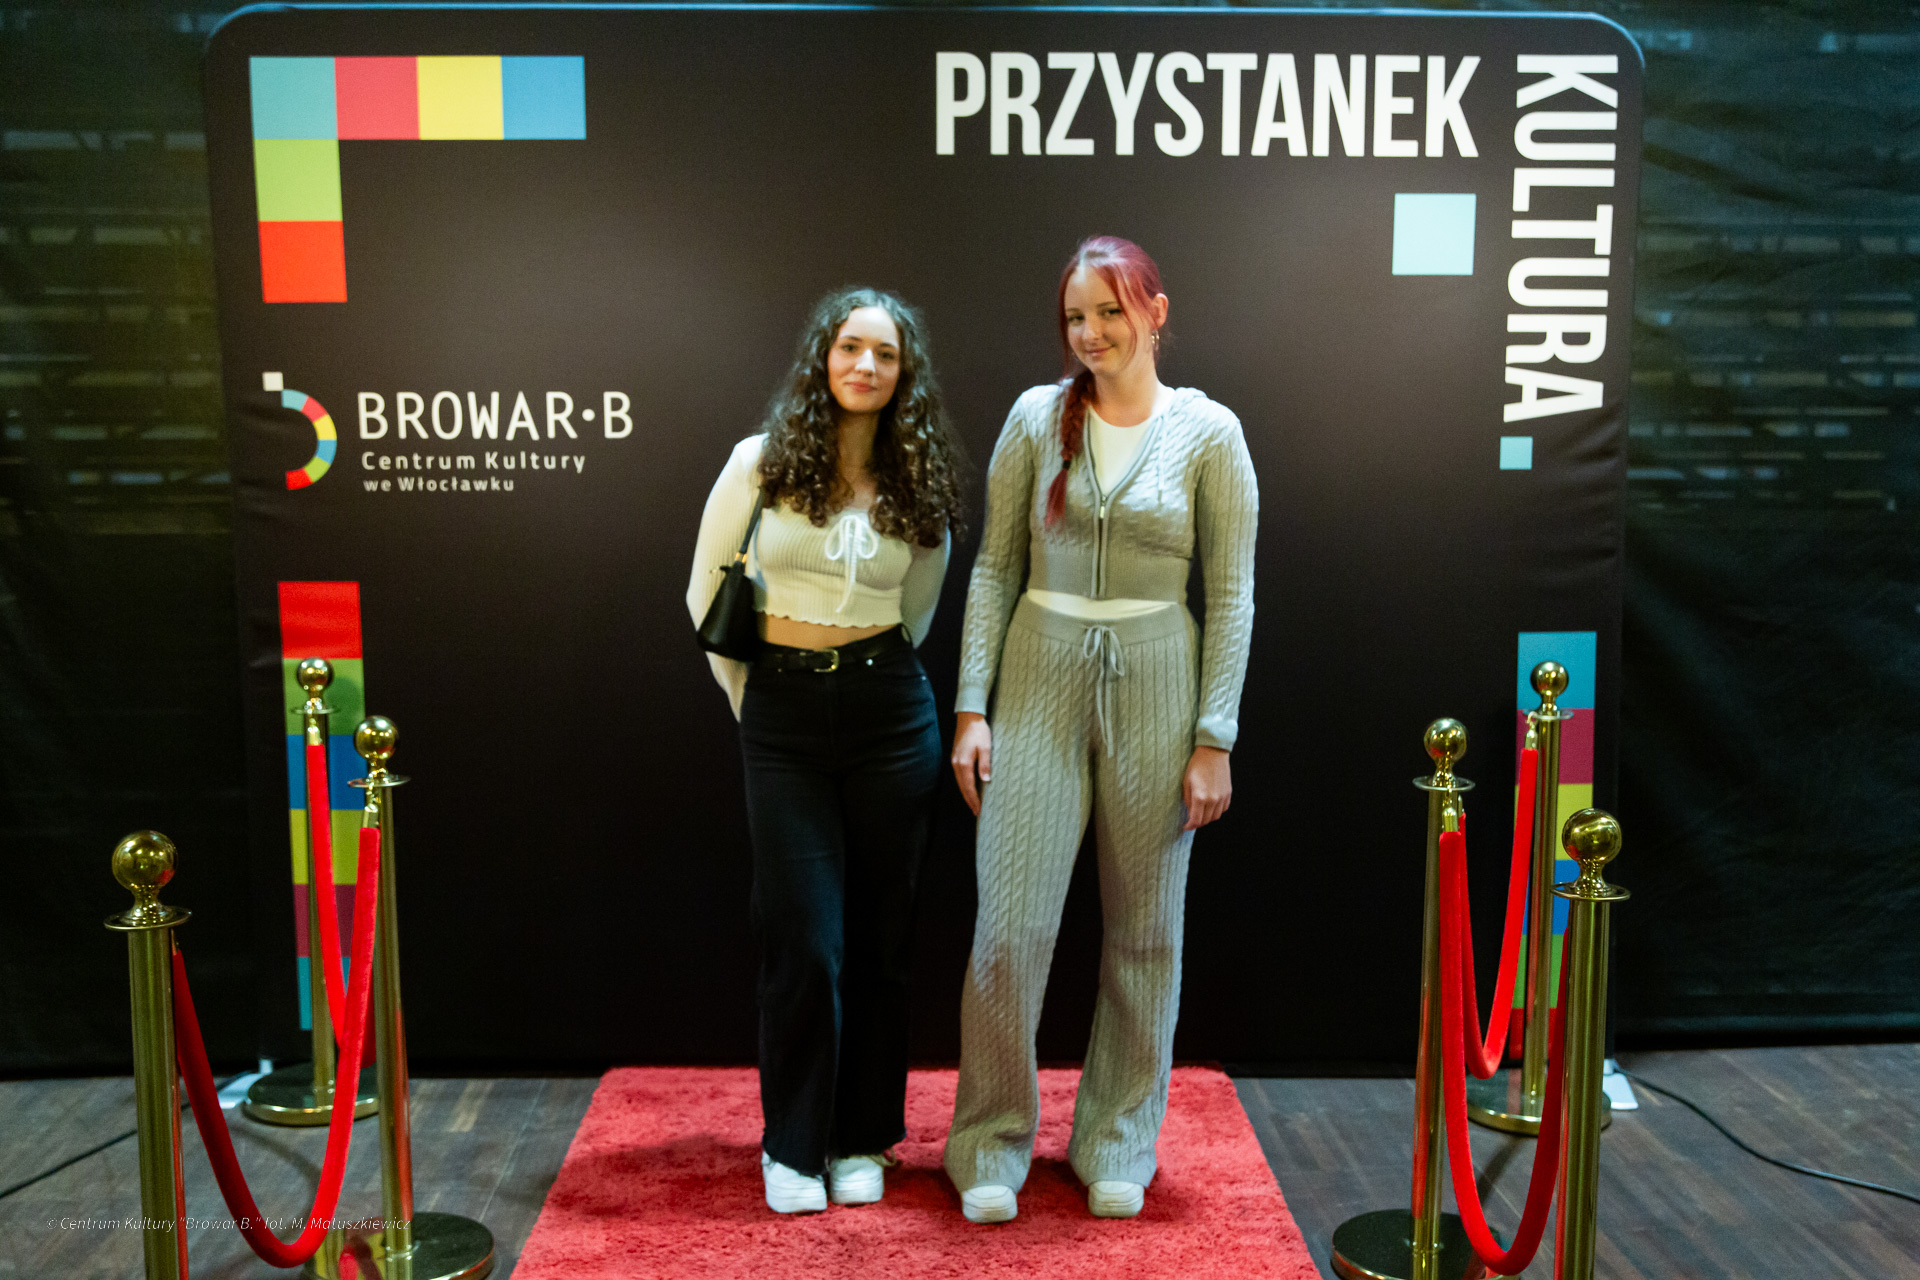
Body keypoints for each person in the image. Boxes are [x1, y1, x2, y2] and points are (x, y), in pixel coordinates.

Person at [943, 237, 1258, 1223]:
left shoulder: (1209, 432)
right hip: (1038, 681)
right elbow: (994, 566)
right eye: (1077, 316)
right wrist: (971, 706)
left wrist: (1214, 736)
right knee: (1008, 932)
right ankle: (988, 1139)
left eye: (1111, 311)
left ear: (1156, 311)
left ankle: (1118, 1137)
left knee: (1146, 935)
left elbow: (1233, 592)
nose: (1092, 333)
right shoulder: (1037, 418)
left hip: (1160, 685)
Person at [687, 287, 964, 1214]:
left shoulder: (919, 475)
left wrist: (865, 677)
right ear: (823, 356)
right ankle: (794, 1146)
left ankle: (861, 1139)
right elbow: (705, 596)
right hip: (783, 720)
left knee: (882, 941)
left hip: (892, 716)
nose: (866, 367)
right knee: (803, 940)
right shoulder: (759, 462)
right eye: (851, 348)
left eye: (885, 355)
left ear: (904, 373)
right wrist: (757, 705)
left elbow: (918, 610)